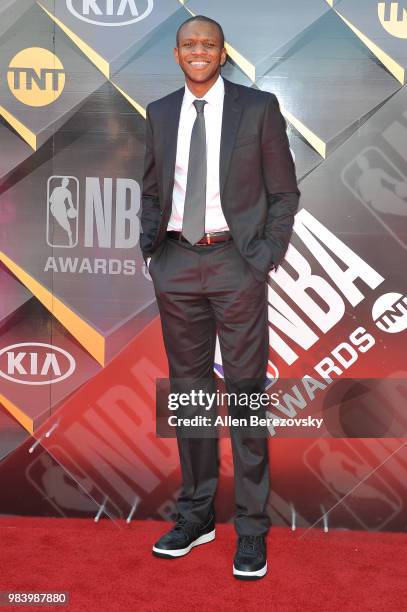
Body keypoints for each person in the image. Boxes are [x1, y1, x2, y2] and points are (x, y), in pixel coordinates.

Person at [140, 15, 300, 580]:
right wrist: (152, 251)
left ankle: (251, 529)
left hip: (238, 263)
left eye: (208, 44)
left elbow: (284, 193)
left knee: (247, 393)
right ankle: (197, 515)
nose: (199, 51)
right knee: (190, 396)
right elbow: (154, 188)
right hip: (177, 263)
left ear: (223, 51)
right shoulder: (160, 111)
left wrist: (262, 259)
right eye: (189, 45)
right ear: (178, 54)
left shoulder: (257, 109)